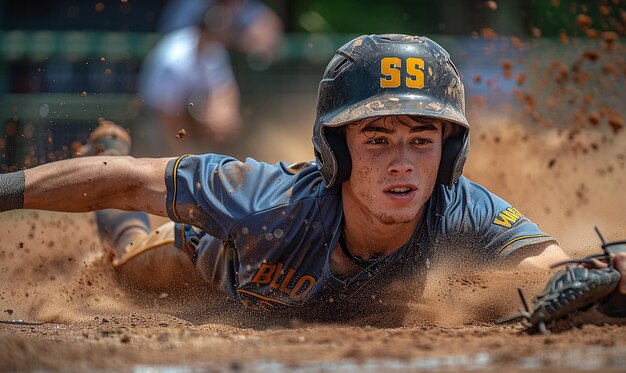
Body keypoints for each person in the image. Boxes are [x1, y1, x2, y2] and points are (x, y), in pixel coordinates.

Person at [1, 34, 624, 316]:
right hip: (208, 268)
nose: (402, 160)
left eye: (422, 137)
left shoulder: (464, 209)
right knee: (131, 254)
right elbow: (129, 179)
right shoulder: (266, 201)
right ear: (337, 150)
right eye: (376, 138)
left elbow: (547, 270)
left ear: (449, 149)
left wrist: (601, 283)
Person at [136, 0, 283, 156]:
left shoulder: (214, 49)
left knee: (226, 127)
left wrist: (224, 116)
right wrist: (183, 158)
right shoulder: (175, 58)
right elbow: (167, 115)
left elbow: (225, 89)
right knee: (162, 160)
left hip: (188, 111)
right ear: (204, 28)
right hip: (155, 115)